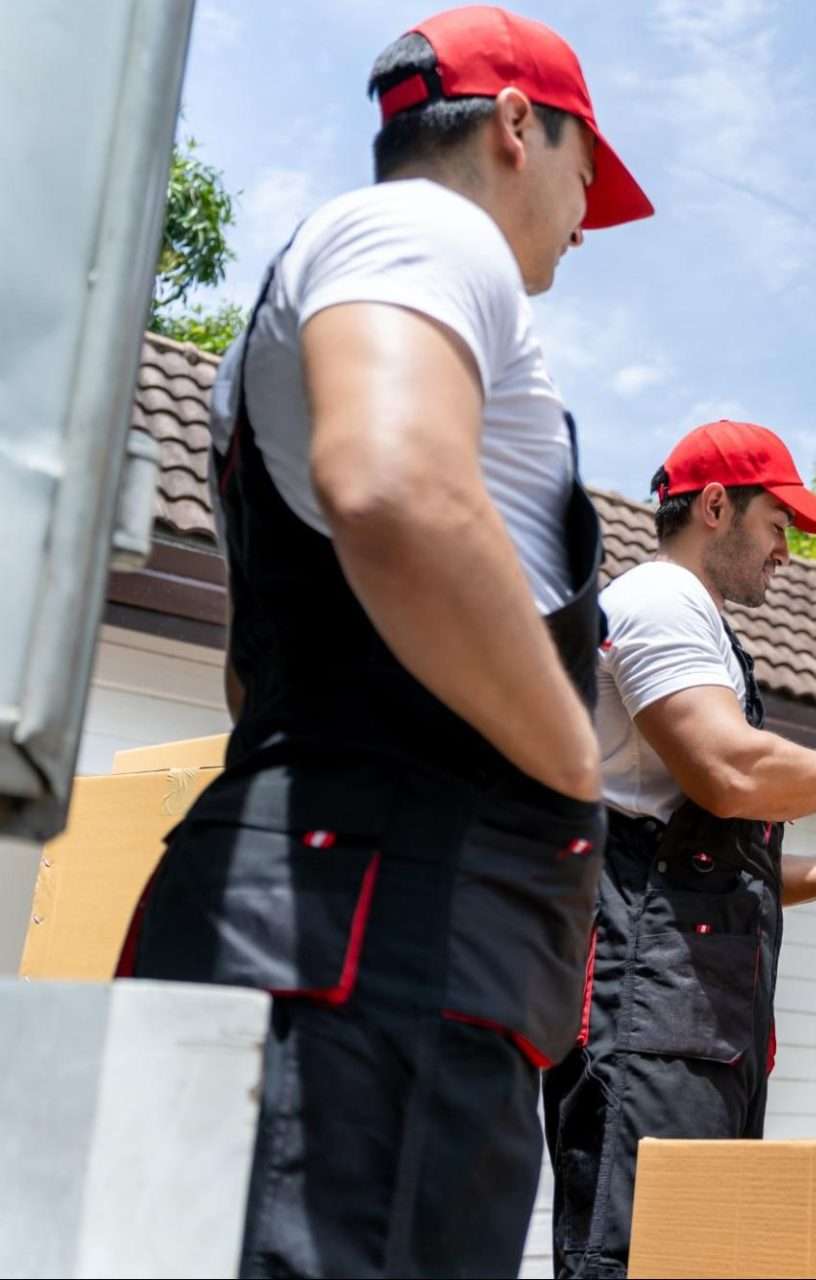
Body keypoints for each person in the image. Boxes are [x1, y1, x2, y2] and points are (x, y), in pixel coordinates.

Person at [117, 8, 653, 1275]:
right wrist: (577, 764)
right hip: (379, 954)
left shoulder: (311, 315)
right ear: (520, 126)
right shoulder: (421, 229)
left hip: (337, 936)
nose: (587, 215)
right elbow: (398, 490)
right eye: (589, 173)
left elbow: (264, 667)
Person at [544, 418, 816, 1279]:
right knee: (634, 1260)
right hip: (646, 1020)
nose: (788, 550)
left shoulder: (703, 627)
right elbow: (728, 772)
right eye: (778, 525)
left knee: (702, 1259)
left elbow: (730, 869)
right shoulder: (661, 600)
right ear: (716, 506)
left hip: (695, 1025)